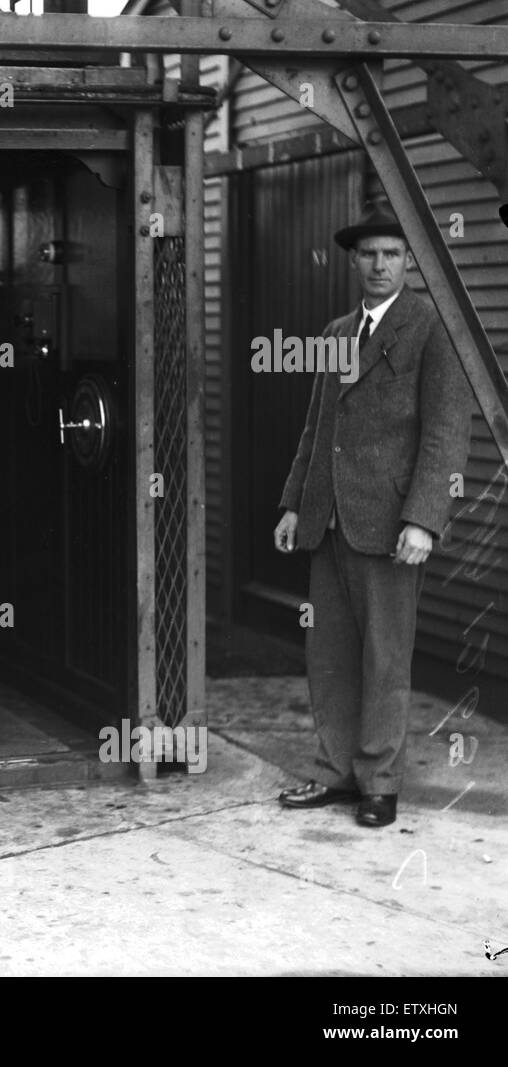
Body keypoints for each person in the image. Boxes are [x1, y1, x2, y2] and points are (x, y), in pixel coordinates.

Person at [274, 205, 471, 829]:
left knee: (386, 657)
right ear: (353, 261)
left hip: (390, 524)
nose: (379, 264)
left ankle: (379, 783)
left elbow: (444, 432)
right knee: (328, 654)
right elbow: (315, 428)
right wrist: (292, 504)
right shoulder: (334, 333)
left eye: (391, 253)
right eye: (368, 254)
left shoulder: (433, 328)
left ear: (408, 261)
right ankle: (335, 771)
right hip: (328, 518)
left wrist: (424, 518)